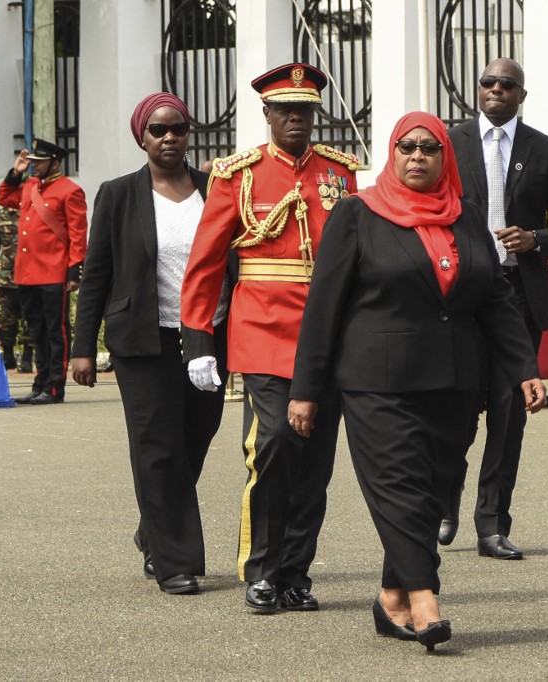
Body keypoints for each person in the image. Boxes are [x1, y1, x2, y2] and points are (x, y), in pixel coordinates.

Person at [287, 111, 547, 652]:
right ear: (392, 151)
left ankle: (391, 597)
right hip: (375, 383)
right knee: (401, 487)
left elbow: (495, 300)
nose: (417, 157)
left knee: (431, 491)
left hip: (453, 381)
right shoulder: (356, 214)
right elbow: (323, 310)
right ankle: (425, 598)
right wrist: (306, 391)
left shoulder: (467, 215)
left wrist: (525, 368)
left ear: (444, 156)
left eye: (429, 148)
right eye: (406, 147)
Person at [180, 63, 360, 613]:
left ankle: (295, 573)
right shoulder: (238, 175)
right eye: (286, 111)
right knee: (275, 445)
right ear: (267, 115)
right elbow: (206, 263)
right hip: (262, 331)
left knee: (315, 461)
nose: (297, 121)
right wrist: (198, 341)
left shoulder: (341, 174)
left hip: (327, 335)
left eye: (305, 112)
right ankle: (260, 569)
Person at [69, 93, 231, 596]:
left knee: (195, 438)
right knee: (157, 446)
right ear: (142, 137)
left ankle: (153, 528)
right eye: (158, 130)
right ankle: (175, 561)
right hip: (144, 342)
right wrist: (81, 346)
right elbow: (96, 276)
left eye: (177, 128)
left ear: (189, 134)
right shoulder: (118, 194)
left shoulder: (217, 188)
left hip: (209, 336)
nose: (169, 138)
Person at [444, 57, 548, 558]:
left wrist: (534, 239)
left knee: (507, 411)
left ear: (521, 94)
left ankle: (492, 523)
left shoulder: (546, 150)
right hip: (461, 298)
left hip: (518, 296)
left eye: (506, 84)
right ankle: (443, 502)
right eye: (488, 82)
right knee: (455, 411)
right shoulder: (449, 143)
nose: (495, 89)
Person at [0, 138, 88, 405]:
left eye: (39, 162)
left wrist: (74, 272)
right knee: (36, 331)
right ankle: (39, 385)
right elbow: (5, 197)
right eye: (32, 162)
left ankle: (54, 388)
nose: (34, 167)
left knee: (55, 331)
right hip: (27, 274)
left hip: (53, 273)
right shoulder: (28, 187)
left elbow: (78, 234)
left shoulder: (70, 191)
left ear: (55, 162)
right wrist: (16, 171)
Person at [0, 205, 34, 373]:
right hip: (6, 278)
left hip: (30, 277)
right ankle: (8, 357)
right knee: (4, 321)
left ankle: (28, 357)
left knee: (30, 320)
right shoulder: (2, 214)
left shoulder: (33, 210)